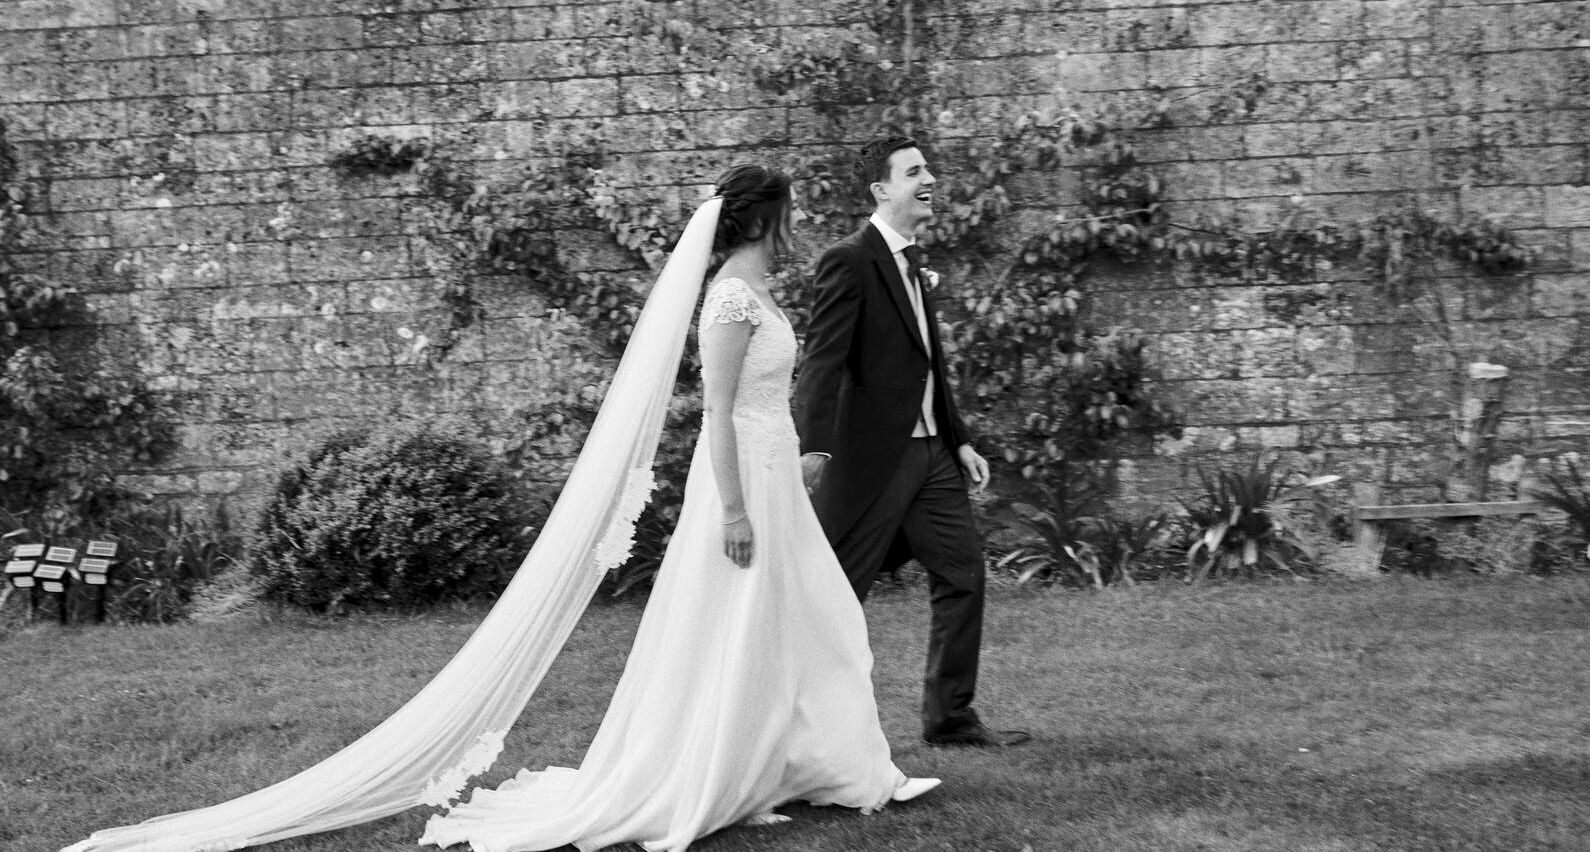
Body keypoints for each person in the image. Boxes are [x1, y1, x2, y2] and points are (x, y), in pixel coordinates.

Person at [62, 165, 936, 852]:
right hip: (742, 480)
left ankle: (811, 763)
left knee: (802, 618)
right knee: (750, 624)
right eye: (788, 215)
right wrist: (736, 510)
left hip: (777, 471)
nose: (797, 228)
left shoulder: (764, 293)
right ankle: (724, 771)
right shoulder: (732, 300)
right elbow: (715, 413)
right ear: (767, 218)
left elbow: (767, 398)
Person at [794, 137, 1030, 749]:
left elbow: (931, 361)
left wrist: (960, 439)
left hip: (932, 459)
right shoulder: (850, 260)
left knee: (964, 575)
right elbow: (823, 360)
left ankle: (950, 718)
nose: (931, 178)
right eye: (915, 171)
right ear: (881, 189)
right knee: (837, 593)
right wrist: (814, 445)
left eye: (928, 169)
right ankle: (803, 728)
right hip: (874, 459)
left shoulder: (913, 263)